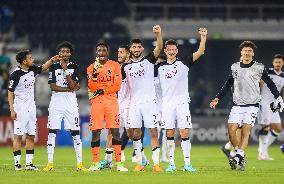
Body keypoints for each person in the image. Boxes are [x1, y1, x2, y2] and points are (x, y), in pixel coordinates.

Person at [210, 41, 284, 171]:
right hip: (237, 105)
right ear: (241, 53)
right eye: (245, 50)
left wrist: (278, 97)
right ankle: (239, 154)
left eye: (250, 51)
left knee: (245, 131)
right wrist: (217, 98)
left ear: (253, 53)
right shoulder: (234, 67)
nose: (247, 53)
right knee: (232, 131)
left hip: (253, 105)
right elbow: (228, 84)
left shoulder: (259, 67)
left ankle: (239, 156)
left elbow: (270, 84)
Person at [156, 28, 207, 172]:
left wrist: (203, 37)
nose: (171, 51)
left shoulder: (184, 62)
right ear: (165, 51)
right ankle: (171, 164)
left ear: (176, 51)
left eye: (174, 49)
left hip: (182, 102)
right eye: (169, 49)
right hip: (167, 104)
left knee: (184, 132)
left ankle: (187, 164)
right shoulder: (159, 67)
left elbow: (200, 52)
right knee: (170, 133)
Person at [8, 50, 59, 170]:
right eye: (30, 58)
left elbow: (43, 68)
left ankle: (29, 164)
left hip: (31, 108)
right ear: (24, 61)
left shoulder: (32, 70)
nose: (33, 60)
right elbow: (10, 93)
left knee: (31, 135)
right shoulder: (15, 74)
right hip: (20, 108)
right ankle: (17, 164)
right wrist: (12, 109)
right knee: (18, 136)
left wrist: (52, 60)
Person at [122, 25, 163, 172]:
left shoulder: (148, 61)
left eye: (139, 46)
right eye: (134, 47)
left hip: (149, 103)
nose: (136, 49)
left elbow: (159, 46)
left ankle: (156, 164)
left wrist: (158, 34)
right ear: (131, 49)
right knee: (135, 133)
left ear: (142, 49)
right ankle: (139, 163)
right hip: (134, 104)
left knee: (153, 131)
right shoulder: (125, 67)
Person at [43, 41, 88, 171]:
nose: (64, 53)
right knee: (52, 133)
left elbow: (75, 86)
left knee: (75, 133)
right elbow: (53, 87)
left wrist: (66, 70)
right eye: (62, 51)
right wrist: (70, 89)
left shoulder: (74, 66)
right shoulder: (53, 66)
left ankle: (80, 164)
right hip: (56, 104)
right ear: (59, 53)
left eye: (67, 51)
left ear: (70, 54)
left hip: (71, 104)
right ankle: (50, 163)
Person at [87, 42, 128, 172]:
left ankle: (119, 164)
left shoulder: (115, 65)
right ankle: (95, 163)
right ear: (96, 52)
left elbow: (117, 85)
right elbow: (92, 87)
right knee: (96, 132)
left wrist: (102, 90)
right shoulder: (91, 68)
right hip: (97, 103)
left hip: (111, 102)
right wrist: (94, 74)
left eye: (103, 50)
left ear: (107, 52)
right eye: (98, 50)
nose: (101, 53)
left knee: (115, 131)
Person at [100, 45, 131, 169]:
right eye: (118, 52)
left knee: (131, 132)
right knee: (111, 132)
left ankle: (141, 158)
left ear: (128, 55)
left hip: (129, 105)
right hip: (117, 103)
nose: (119, 54)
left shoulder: (131, 68)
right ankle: (108, 160)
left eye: (122, 52)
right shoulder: (118, 67)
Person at [258, 54, 284, 160]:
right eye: (276, 62)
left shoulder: (283, 76)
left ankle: (263, 150)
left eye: (279, 62)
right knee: (265, 128)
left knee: (278, 129)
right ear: (273, 63)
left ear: (282, 63)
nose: (278, 64)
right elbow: (259, 85)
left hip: (274, 105)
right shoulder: (267, 72)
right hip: (264, 103)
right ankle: (262, 153)